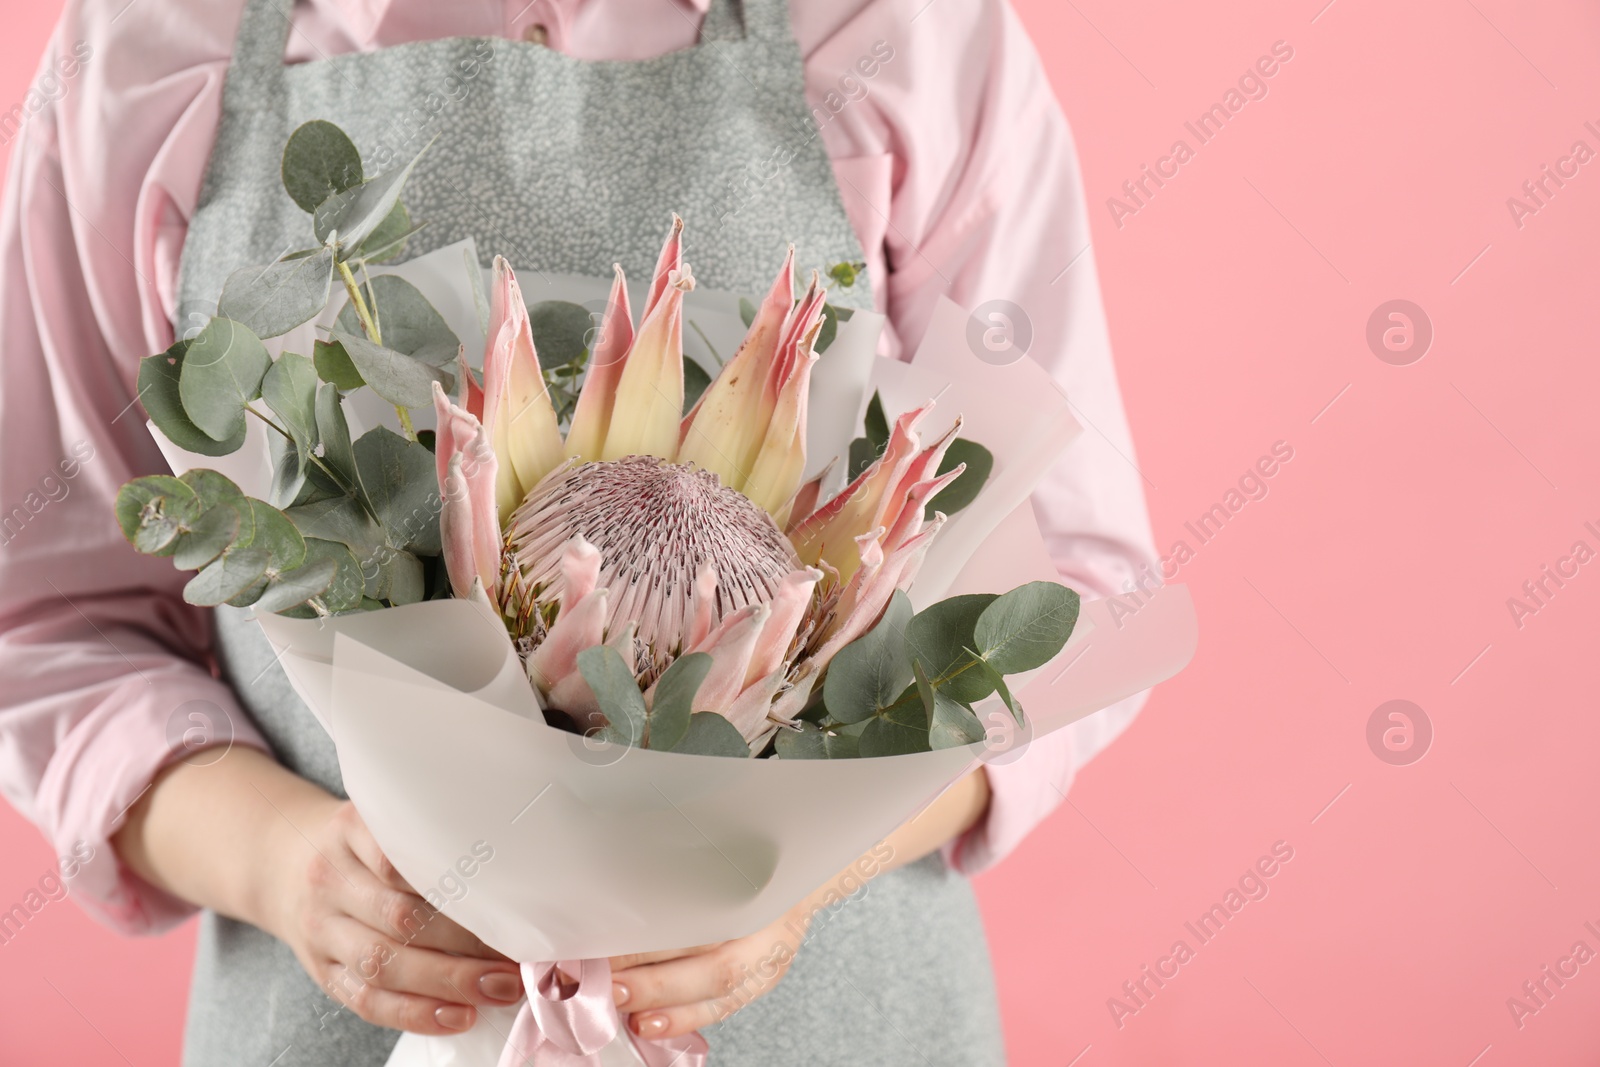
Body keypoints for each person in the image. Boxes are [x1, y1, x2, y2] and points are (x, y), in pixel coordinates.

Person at [0, 0, 1157, 1063]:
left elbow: (1075, 588)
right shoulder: (143, 47)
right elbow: (43, 620)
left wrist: (806, 868)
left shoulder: (904, 26)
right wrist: (280, 860)